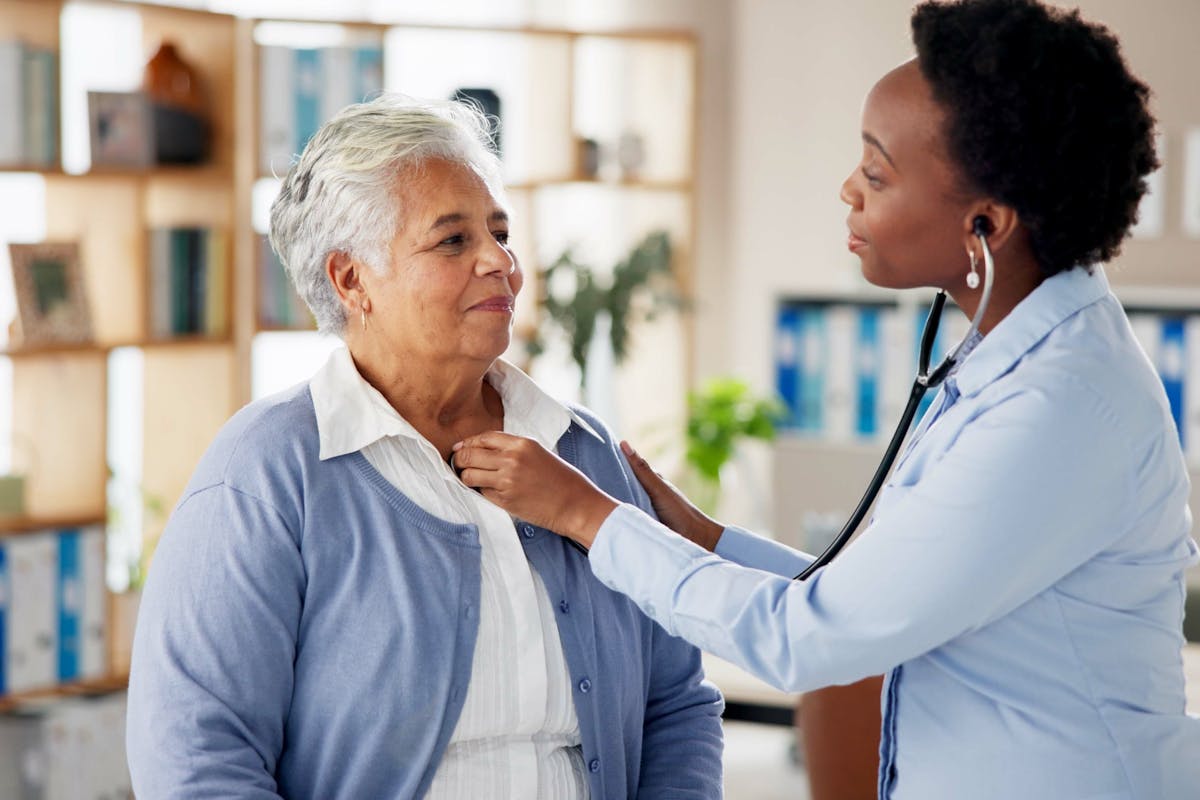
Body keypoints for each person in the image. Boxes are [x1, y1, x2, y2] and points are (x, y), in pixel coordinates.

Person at [451, 1, 1200, 797]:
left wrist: (585, 515)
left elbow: (813, 640)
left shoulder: (1056, 411)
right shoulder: (1017, 358)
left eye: (877, 173)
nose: (849, 189)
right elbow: (867, 596)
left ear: (986, 224)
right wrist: (701, 536)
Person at [125, 95, 723, 799]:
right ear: (352, 280)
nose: (499, 261)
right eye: (453, 241)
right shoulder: (266, 474)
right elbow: (195, 757)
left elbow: (676, 703)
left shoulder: (581, 451)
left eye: (500, 233)